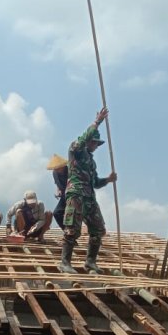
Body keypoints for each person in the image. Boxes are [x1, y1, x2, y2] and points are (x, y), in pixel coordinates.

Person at [58, 107, 116, 274]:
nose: (96, 146)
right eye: (94, 143)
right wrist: (97, 122)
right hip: (76, 194)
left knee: (98, 229)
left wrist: (108, 180)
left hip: (89, 197)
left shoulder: (91, 162)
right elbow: (81, 140)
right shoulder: (75, 150)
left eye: (97, 144)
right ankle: (65, 263)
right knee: (72, 228)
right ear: (89, 141)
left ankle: (90, 262)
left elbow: (96, 182)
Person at [47, 154, 68, 229]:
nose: (57, 170)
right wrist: (58, 190)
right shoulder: (55, 173)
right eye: (55, 168)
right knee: (57, 213)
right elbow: (57, 183)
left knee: (71, 213)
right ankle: (66, 231)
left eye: (58, 168)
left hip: (73, 195)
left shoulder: (70, 171)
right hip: (64, 197)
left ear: (62, 166)